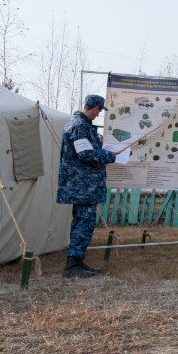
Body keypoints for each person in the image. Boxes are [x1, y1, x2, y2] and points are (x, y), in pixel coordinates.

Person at [57, 94, 118, 278]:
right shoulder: (80, 126)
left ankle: (77, 262)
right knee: (83, 223)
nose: (98, 114)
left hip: (83, 185)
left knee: (82, 223)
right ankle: (73, 265)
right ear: (94, 108)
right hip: (83, 186)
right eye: (99, 110)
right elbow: (86, 155)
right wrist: (110, 156)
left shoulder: (78, 124)